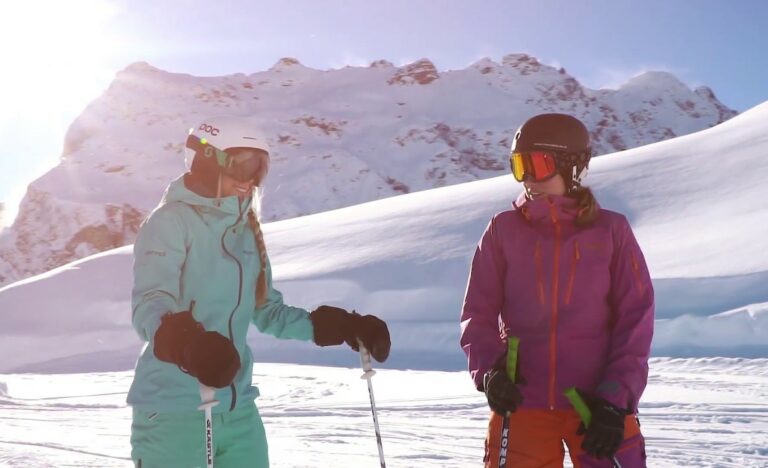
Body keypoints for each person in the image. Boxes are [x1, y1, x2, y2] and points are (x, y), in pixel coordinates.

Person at [127, 115, 391, 468]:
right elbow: (150, 304)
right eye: (242, 165)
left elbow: (268, 312)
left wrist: (342, 326)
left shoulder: (247, 233)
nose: (249, 179)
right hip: (174, 411)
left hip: (238, 411)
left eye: (259, 169)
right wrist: (189, 344)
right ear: (208, 160)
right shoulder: (170, 222)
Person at [460, 113, 654, 468]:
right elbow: (477, 312)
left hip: (595, 404)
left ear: (572, 166)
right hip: (522, 403)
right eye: (520, 166)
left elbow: (636, 319)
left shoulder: (611, 231)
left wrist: (615, 399)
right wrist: (490, 371)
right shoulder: (503, 230)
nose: (528, 178)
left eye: (538, 165)